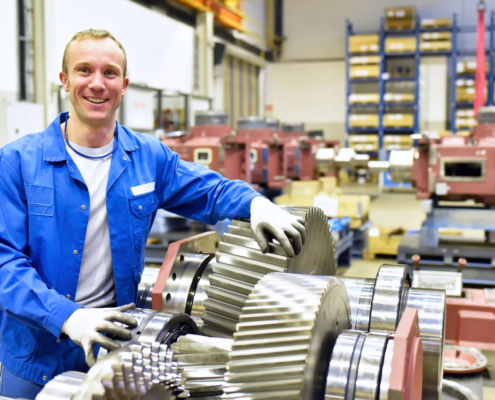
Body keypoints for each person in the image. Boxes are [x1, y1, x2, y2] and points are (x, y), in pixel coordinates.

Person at [0, 29, 306, 398]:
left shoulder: (147, 157)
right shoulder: (17, 162)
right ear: (65, 80)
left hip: (114, 349)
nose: (97, 83)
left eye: (110, 73)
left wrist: (255, 203)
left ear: (124, 85)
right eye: (84, 70)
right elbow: (4, 262)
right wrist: (68, 316)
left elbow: (209, 190)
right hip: (36, 356)